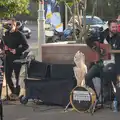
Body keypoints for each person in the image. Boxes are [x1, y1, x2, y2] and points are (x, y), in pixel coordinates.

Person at [85, 19, 120, 100]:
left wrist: (112, 50)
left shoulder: (118, 38)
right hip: (101, 63)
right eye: (113, 27)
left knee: (106, 71)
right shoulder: (102, 35)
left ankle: (109, 97)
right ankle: (95, 98)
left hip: (113, 63)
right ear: (108, 27)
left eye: (116, 27)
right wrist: (96, 49)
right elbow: (88, 40)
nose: (115, 29)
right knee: (87, 77)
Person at [2, 18, 29, 99]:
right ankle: (12, 91)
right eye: (7, 24)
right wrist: (4, 48)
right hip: (7, 57)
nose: (8, 26)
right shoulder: (6, 34)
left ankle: (17, 93)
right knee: (7, 75)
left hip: (17, 58)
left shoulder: (19, 34)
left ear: (14, 25)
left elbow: (26, 46)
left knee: (17, 76)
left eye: (10, 24)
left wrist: (16, 50)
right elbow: (2, 44)